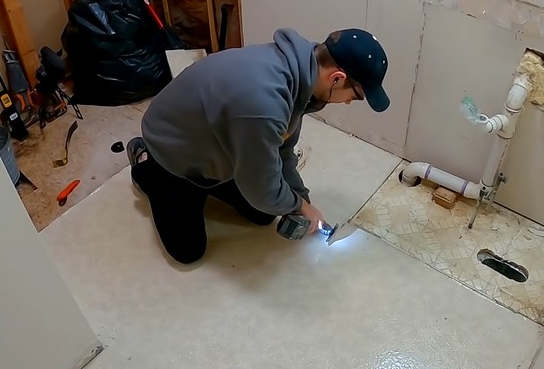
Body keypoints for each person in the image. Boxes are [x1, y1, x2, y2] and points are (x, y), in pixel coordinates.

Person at [127, 27, 390, 264]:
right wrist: (297, 205)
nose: (347, 103)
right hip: (174, 149)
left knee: (265, 214)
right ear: (336, 78)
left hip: (216, 141)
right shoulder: (265, 102)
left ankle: (220, 173)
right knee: (188, 252)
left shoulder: (299, 76)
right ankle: (146, 165)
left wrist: (301, 199)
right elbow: (261, 189)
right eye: (353, 96)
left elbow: (282, 149)